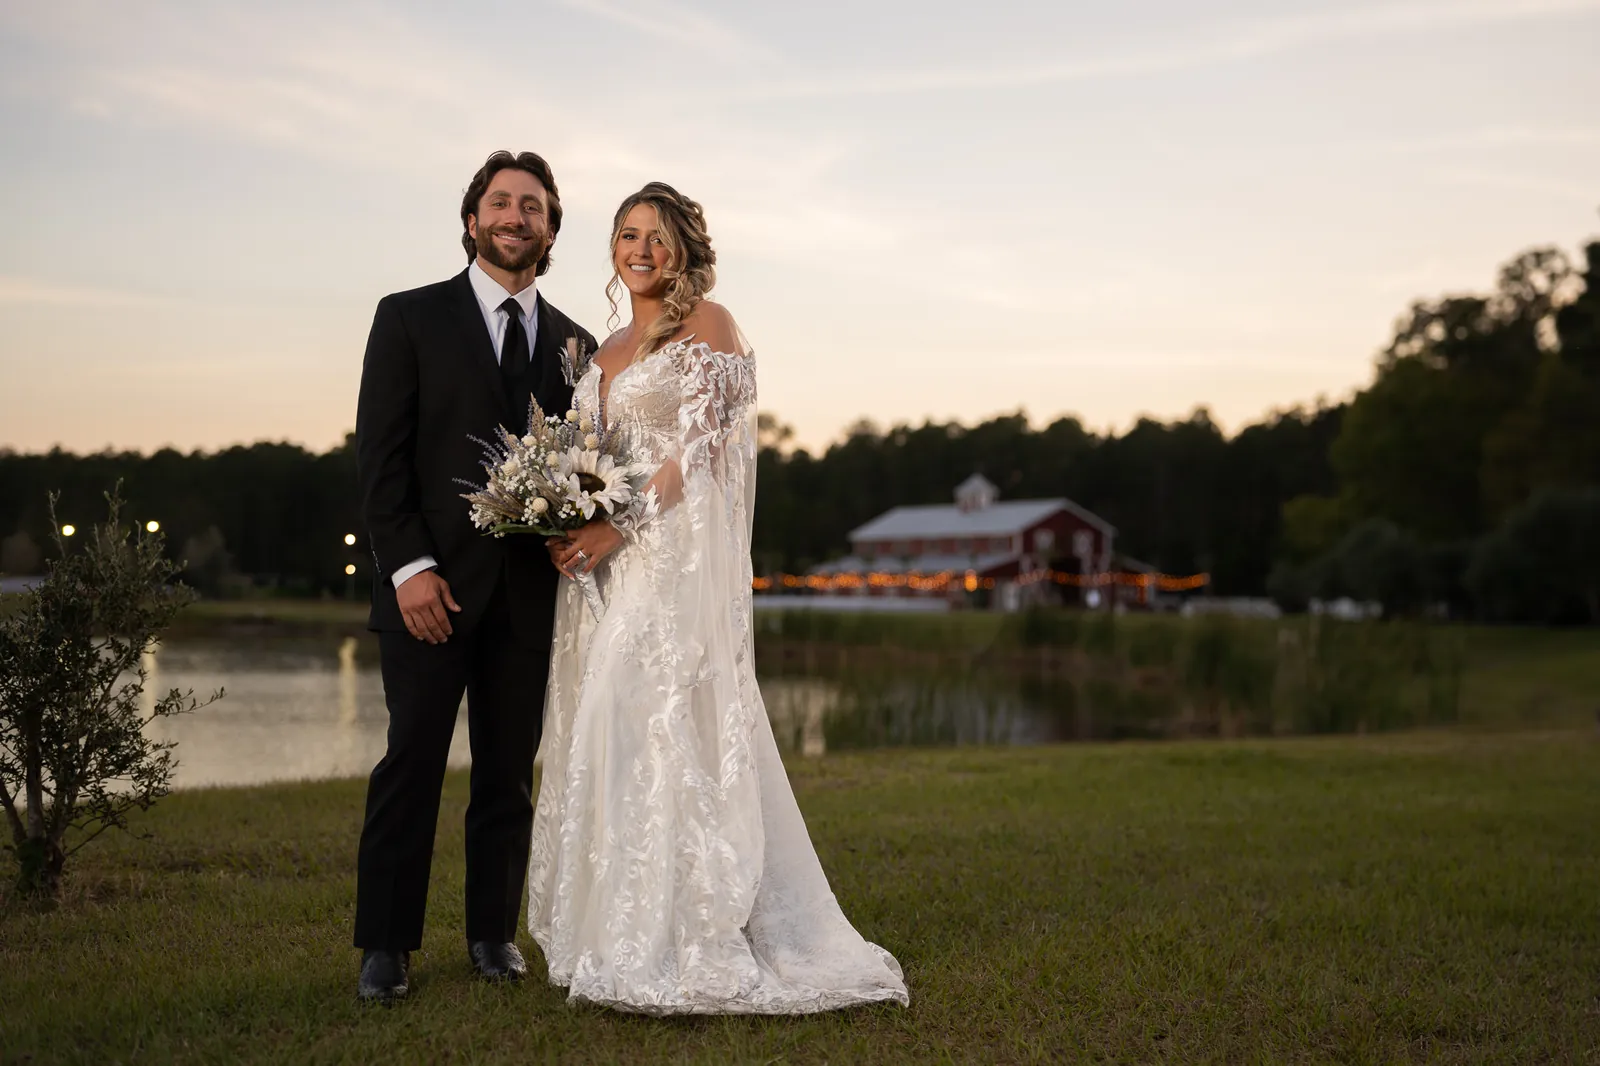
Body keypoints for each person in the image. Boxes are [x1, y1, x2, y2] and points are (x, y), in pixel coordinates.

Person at [532, 183, 910, 1014]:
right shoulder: (599, 353)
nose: (641, 250)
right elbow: (596, 457)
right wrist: (569, 519)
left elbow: (702, 454)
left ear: (684, 250)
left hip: (671, 562)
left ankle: (694, 926)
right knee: (616, 728)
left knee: (668, 722)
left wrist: (615, 527)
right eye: (628, 234)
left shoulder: (710, 325)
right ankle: (621, 923)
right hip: (605, 571)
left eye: (658, 237)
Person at [352, 151, 596, 1003]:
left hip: (530, 598)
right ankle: (385, 946)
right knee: (410, 765)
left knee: (506, 773)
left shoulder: (579, 345)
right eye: (501, 202)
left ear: (551, 230)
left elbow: (590, 466)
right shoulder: (408, 318)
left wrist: (576, 531)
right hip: (429, 594)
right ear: (472, 220)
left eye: (533, 206)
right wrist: (409, 569)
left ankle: (491, 934)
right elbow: (379, 463)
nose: (515, 217)